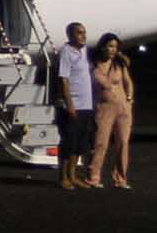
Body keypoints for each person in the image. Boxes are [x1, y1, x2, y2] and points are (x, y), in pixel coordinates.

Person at [84, 32, 135, 189]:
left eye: (115, 47)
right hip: (104, 108)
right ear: (103, 46)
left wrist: (129, 97)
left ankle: (120, 178)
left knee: (123, 143)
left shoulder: (119, 63)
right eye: (110, 46)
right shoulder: (93, 64)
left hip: (123, 108)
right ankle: (93, 176)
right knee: (100, 142)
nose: (112, 50)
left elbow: (128, 81)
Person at [52, 21, 93, 188]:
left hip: (86, 104)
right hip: (73, 104)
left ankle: (73, 175)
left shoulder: (83, 50)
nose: (83, 36)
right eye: (79, 33)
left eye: (84, 32)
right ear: (70, 35)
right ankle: (63, 177)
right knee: (68, 142)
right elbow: (64, 79)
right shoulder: (66, 53)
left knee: (80, 144)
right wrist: (70, 104)